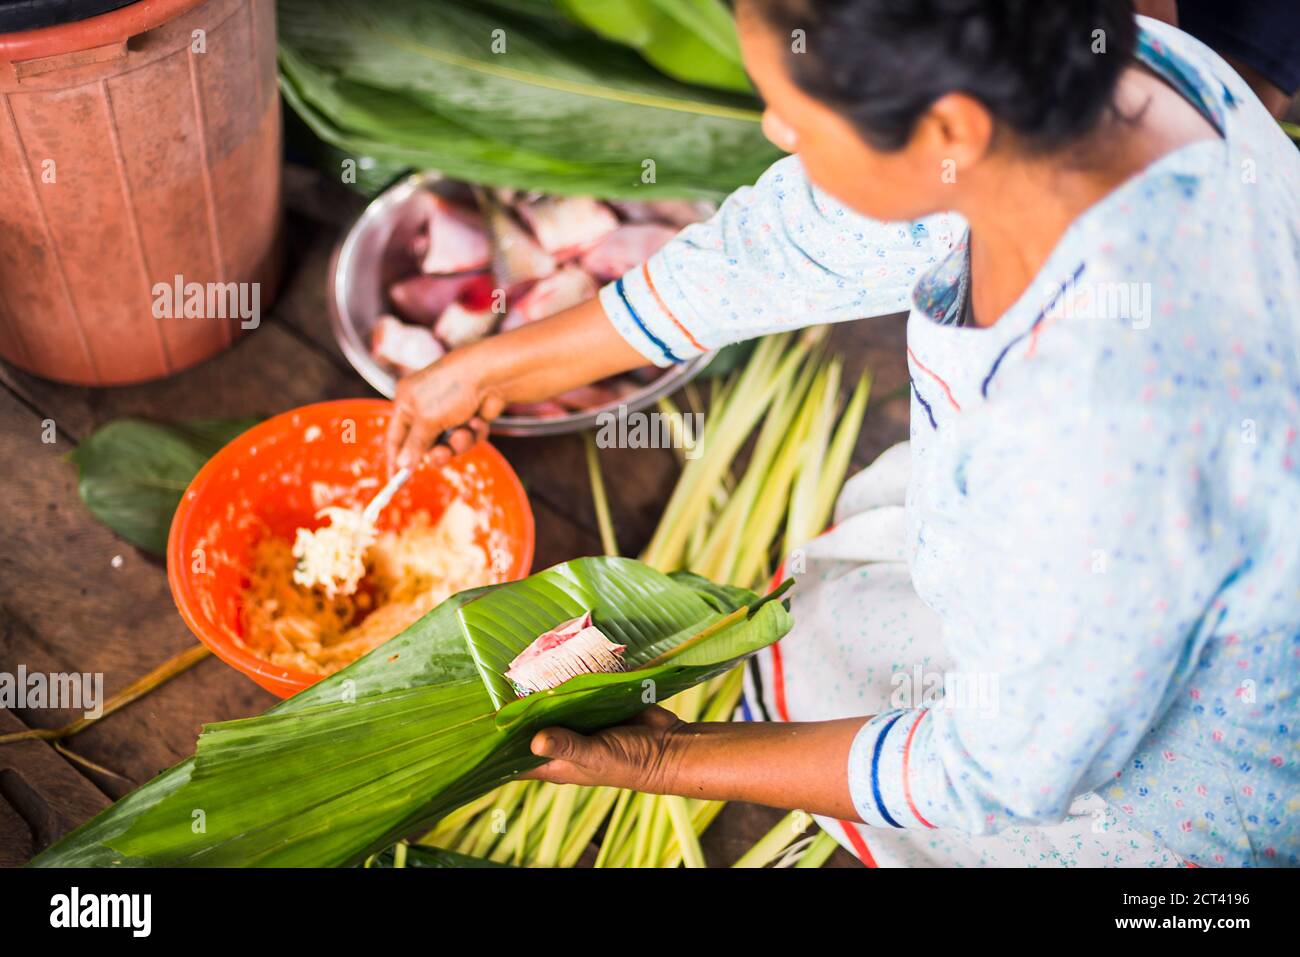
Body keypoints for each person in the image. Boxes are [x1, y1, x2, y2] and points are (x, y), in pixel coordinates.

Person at [386, 1, 1299, 867]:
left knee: (839, 665)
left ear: (949, 130)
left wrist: (666, 761)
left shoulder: (1103, 429)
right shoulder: (1116, 73)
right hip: (1112, 595)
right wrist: (493, 367)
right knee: (840, 622)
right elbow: (801, 240)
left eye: (795, 113)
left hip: (1183, 773)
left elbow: (1004, 769)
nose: (775, 132)